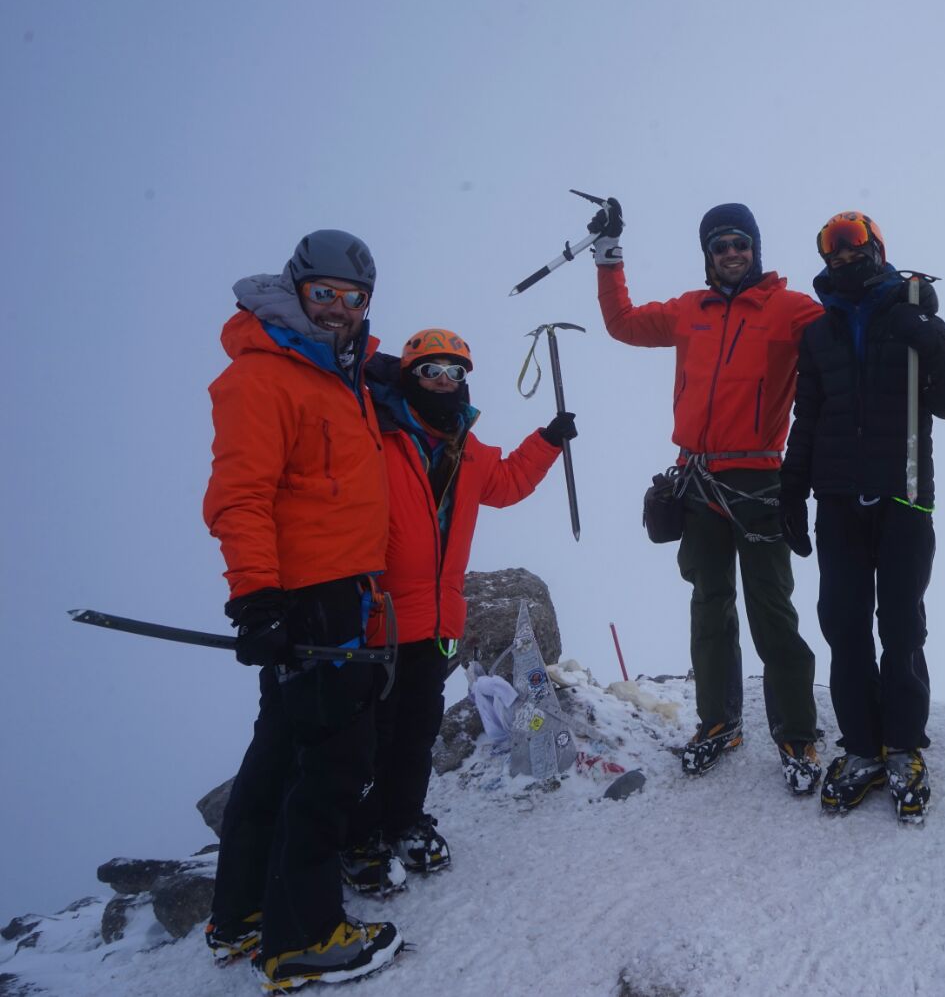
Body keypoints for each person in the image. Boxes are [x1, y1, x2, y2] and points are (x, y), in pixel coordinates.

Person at [201, 229, 401, 989]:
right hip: (310, 597)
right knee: (333, 765)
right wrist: (256, 599)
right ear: (295, 289)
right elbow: (239, 495)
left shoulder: (334, 374)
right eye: (324, 295)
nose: (340, 312)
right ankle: (305, 936)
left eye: (354, 300)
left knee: (280, 751)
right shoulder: (265, 377)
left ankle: (242, 913)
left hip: (335, 588)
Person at [587, 197, 824, 792]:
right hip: (695, 481)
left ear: (756, 249)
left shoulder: (789, 309)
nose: (733, 254)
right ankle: (718, 723)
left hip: (759, 480)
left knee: (772, 609)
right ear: (708, 257)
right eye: (721, 247)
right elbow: (622, 323)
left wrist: (887, 295)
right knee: (709, 605)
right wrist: (608, 257)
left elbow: (843, 330)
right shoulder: (687, 310)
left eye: (741, 244)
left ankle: (796, 735)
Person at [338, 328, 574, 892]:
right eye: (430, 371)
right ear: (407, 376)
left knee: (416, 731)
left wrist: (547, 440)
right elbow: (350, 365)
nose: (445, 382)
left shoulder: (468, 452)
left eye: (455, 373)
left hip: (438, 618)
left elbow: (510, 482)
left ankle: (404, 823)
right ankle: (357, 837)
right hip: (377, 615)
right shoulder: (376, 435)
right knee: (370, 735)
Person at [780, 212, 945, 823]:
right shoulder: (819, 331)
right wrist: (791, 493)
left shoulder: (912, 315)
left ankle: (905, 746)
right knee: (843, 624)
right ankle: (861, 746)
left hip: (905, 495)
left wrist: (931, 337)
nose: (842, 257)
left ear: (878, 248)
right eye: (831, 249)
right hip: (837, 500)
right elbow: (805, 419)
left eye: (852, 244)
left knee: (902, 623)